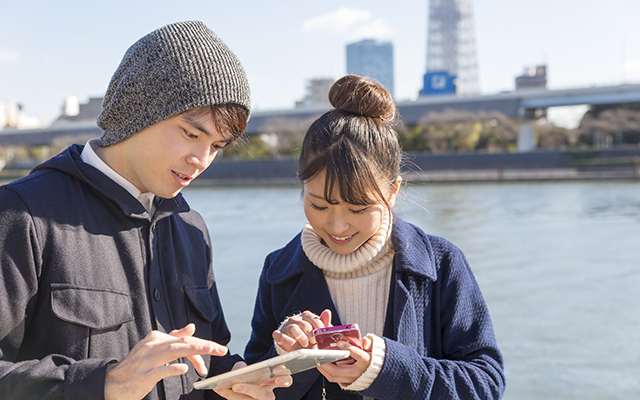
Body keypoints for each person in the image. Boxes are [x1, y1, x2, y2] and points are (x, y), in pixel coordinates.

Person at [0, 21, 291, 400]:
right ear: (139, 109)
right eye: (191, 133)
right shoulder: (24, 214)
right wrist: (104, 384)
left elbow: (207, 356)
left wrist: (232, 377)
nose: (202, 160)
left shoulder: (191, 227)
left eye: (217, 145)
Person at [244, 75, 506, 399]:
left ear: (393, 191)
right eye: (319, 205)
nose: (338, 226)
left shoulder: (442, 264)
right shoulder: (278, 271)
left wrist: (384, 368)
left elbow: (486, 384)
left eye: (358, 209)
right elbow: (250, 389)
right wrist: (286, 359)